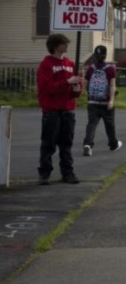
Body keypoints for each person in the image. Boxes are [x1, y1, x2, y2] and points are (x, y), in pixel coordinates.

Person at [36, 34, 83, 185]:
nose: (67, 46)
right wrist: (67, 82)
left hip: (68, 109)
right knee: (48, 144)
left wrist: (77, 88)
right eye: (64, 43)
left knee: (66, 144)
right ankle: (44, 174)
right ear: (56, 46)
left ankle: (67, 173)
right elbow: (46, 87)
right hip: (51, 110)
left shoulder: (70, 63)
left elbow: (76, 91)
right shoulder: (46, 64)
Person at [82, 45, 123, 156]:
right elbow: (112, 85)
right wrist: (111, 100)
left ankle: (88, 145)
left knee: (91, 124)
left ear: (95, 55)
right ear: (105, 55)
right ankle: (113, 144)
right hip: (105, 102)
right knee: (109, 124)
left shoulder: (91, 68)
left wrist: (86, 95)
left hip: (92, 102)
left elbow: (84, 84)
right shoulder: (110, 69)